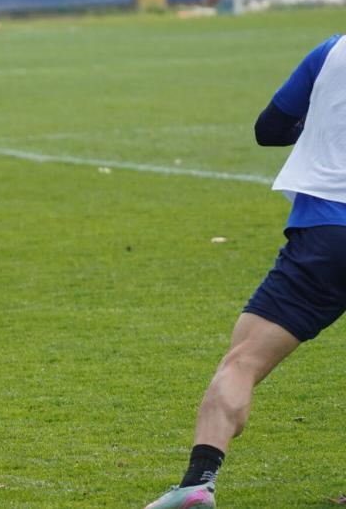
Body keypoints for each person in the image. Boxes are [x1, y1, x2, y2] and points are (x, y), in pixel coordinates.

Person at [145, 33, 346, 509]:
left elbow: (269, 127)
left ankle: (198, 483)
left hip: (326, 233)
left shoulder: (332, 51)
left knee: (242, 362)